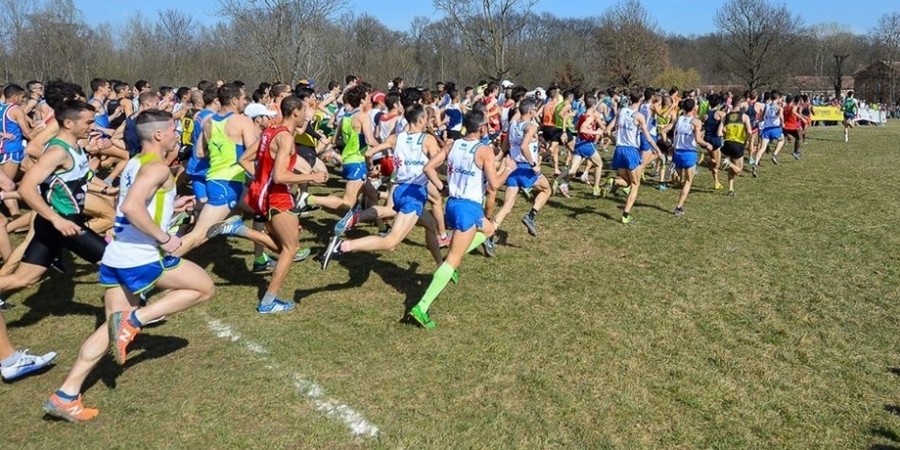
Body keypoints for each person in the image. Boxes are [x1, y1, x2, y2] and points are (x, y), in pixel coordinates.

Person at [43, 109, 214, 422]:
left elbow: (133, 204)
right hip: (142, 256)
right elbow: (133, 206)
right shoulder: (158, 168)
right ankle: (136, 319)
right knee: (203, 288)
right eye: (174, 130)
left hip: (118, 253)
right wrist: (164, 237)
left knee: (110, 328)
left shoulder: (135, 163)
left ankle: (66, 394)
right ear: (159, 135)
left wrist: (171, 205)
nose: (178, 134)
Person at [208, 97, 326, 313]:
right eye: (304, 112)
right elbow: (280, 176)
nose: (307, 116)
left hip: (263, 196)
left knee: (283, 248)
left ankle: (239, 229)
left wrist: (260, 180)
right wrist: (312, 177)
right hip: (277, 197)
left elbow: (244, 159)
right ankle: (268, 302)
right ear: (295, 113)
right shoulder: (285, 138)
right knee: (292, 249)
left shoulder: (269, 132)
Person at [407, 110, 514, 329]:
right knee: (453, 261)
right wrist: (508, 170)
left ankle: (455, 253)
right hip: (469, 208)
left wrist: (442, 186)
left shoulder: (452, 145)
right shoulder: (484, 150)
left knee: (489, 229)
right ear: (482, 128)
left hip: (453, 205)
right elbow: (494, 185)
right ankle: (421, 307)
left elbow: (428, 168)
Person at [0, 100, 108, 302]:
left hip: (60, 223)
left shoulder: (75, 147)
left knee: (24, 279)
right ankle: (131, 314)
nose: (92, 126)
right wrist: (56, 219)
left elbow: (77, 181)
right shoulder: (57, 152)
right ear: (68, 123)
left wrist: (108, 189)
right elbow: (25, 188)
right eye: (88, 122)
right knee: (114, 261)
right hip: (63, 224)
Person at [321, 105, 444, 269]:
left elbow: (368, 153)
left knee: (431, 225)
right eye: (427, 120)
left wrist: (371, 168)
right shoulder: (428, 140)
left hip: (398, 190)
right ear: (421, 120)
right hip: (414, 194)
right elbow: (436, 167)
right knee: (390, 243)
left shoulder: (395, 138)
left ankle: (441, 265)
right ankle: (342, 246)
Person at [175, 83, 255, 256]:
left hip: (220, 180)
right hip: (227, 184)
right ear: (234, 100)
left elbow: (199, 152)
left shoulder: (208, 121)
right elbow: (252, 152)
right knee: (198, 236)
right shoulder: (243, 121)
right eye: (242, 98)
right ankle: (156, 264)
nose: (244, 102)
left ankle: (262, 255)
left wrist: (220, 149)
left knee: (262, 210)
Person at [601, 91, 660, 224]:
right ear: (640, 100)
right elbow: (648, 137)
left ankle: (613, 181)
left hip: (619, 150)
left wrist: (615, 141)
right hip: (631, 151)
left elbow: (607, 131)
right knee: (635, 184)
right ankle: (625, 215)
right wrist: (657, 150)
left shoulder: (621, 111)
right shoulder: (639, 116)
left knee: (626, 181)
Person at [671, 99, 713, 216]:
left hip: (677, 151)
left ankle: (674, 172)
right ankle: (678, 207)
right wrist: (707, 144)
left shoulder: (679, 119)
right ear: (694, 108)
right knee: (688, 181)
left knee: (678, 180)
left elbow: (675, 133)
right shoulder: (696, 122)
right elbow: (698, 139)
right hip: (689, 152)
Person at [717, 105, 752, 196]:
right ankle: (729, 163)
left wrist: (724, 135)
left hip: (727, 144)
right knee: (738, 170)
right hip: (738, 144)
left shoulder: (726, 116)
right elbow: (750, 132)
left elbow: (719, 132)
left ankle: (731, 189)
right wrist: (746, 140)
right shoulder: (744, 116)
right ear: (740, 105)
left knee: (731, 169)